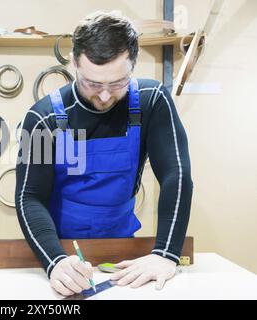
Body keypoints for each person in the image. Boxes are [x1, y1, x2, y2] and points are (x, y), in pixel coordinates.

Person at [15, 11, 193, 296]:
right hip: (59, 249)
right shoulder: (40, 118)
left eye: (118, 83)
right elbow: (29, 196)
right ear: (74, 63)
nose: (106, 95)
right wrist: (54, 261)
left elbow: (177, 174)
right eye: (92, 83)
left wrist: (166, 254)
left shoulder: (153, 101)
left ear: (133, 64)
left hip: (123, 250)